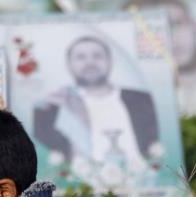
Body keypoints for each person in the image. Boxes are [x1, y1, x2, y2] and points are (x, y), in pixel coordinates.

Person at [33, 35, 159, 173]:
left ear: (110, 61)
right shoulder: (51, 107)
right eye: (81, 57)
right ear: (69, 64)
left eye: (97, 56)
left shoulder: (143, 100)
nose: (90, 62)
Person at [122, 0, 196, 109]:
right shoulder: (133, 101)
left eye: (176, 24)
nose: (169, 38)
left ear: (195, 26)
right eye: (152, 30)